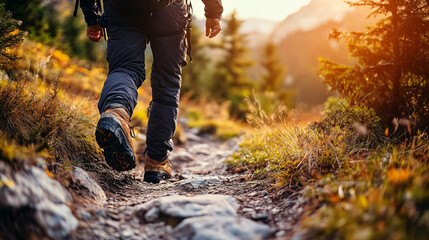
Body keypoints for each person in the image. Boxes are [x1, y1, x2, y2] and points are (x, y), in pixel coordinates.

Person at [77, 0, 223, 183]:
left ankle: (115, 113)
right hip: (169, 11)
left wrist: (91, 16)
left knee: (124, 68)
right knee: (167, 81)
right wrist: (213, 12)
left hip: (121, 10)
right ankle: (156, 161)